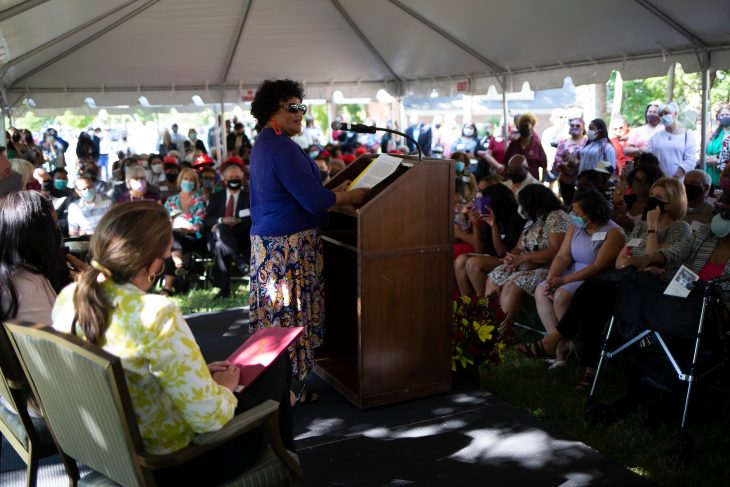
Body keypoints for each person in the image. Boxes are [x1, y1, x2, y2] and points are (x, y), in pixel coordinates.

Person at [51, 201, 295, 484]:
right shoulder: (154, 314)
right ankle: (285, 463)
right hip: (177, 463)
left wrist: (198, 374)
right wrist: (225, 388)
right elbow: (209, 419)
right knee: (276, 365)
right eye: (165, 255)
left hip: (107, 450)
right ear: (152, 261)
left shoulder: (70, 298)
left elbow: (133, 373)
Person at [248, 79, 368, 403]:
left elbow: (299, 192)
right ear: (271, 110)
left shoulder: (267, 143)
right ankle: (288, 392)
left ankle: (281, 388)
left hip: (272, 246)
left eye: (302, 107)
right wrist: (354, 195)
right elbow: (314, 201)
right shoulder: (282, 147)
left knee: (278, 318)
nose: (299, 113)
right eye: (292, 107)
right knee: (289, 317)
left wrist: (330, 190)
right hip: (287, 249)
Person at [520, 178, 691, 390]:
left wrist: (652, 229)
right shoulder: (641, 226)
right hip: (630, 281)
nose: (652, 200)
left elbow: (652, 257)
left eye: (659, 197)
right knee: (593, 297)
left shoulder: (680, 228)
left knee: (592, 290)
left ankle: (557, 343)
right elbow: (620, 262)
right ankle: (587, 367)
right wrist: (636, 258)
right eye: (651, 195)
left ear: (673, 202)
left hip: (654, 289)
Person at [518, 190, 625, 364]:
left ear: (591, 214)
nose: (572, 216)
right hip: (573, 272)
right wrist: (552, 278)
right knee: (541, 289)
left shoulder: (614, 233)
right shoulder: (575, 227)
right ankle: (560, 345)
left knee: (561, 295)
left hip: (595, 279)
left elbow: (598, 267)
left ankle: (563, 344)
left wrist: (562, 281)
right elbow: (562, 256)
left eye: (577, 213)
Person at [485, 185, 570, 328]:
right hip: (526, 265)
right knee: (495, 276)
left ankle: (502, 330)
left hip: (549, 268)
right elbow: (519, 247)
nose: (521, 208)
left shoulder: (557, 216)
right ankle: (488, 322)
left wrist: (525, 258)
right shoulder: (534, 219)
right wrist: (511, 258)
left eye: (523, 204)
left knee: (512, 283)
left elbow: (556, 251)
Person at [454, 183, 524, 296]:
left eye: (484, 202)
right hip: (493, 257)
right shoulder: (489, 217)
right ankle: (467, 303)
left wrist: (494, 226)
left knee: (473, 263)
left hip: (509, 260)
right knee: (460, 261)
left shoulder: (515, 219)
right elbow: (480, 250)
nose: (481, 205)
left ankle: (485, 305)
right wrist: (475, 224)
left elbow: (502, 253)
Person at [204, 161, 252, 299]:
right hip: (220, 235)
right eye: (231, 178)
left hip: (241, 236)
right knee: (220, 230)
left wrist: (239, 221)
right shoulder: (216, 197)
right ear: (224, 180)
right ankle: (240, 263)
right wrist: (221, 220)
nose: (234, 180)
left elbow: (253, 218)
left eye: (237, 177)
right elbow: (207, 220)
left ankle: (223, 290)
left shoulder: (249, 197)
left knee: (221, 245)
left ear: (242, 179)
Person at [160, 168, 207, 295]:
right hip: (174, 236)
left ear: (195, 183)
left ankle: (167, 287)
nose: (188, 182)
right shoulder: (171, 200)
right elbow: (163, 220)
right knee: (172, 237)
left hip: (192, 237)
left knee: (171, 241)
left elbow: (200, 223)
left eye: (191, 180)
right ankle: (178, 265)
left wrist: (189, 228)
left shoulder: (199, 200)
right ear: (180, 181)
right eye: (185, 179)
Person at [646, 101, 696, 178]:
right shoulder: (655, 137)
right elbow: (649, 160)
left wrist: (675, 178)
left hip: (678, 181)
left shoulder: (687, 136)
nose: (663, 116)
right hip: (658, 180)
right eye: (660, 115)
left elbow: (690, 160)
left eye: (666, 113)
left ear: (675, 114)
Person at [553, 117, 587, 206]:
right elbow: (557, 158)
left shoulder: (587, 142)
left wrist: (578, 163)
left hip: (582, 180)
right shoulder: (563, 142)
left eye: (577, 126)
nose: (574, 127)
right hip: (566, 180)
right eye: (572, 125)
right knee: (567, 204)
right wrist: (565, 164)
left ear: (583, 128)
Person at [503, 113, 547, 180]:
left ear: (531, 127)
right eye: (522, 126)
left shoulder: (537, 145)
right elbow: (506, 164)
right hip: (515, 182)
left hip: (532, 182)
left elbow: (544, 165)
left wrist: (542, 182)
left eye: (526, 126)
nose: (524, 129)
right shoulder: (513, 145)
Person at [706, 103, 730, 188]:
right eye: (722, 115)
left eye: (727, 114)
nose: (724, 117)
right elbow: (704, 149)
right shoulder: (715, 134)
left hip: (724, 181)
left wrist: (718, 161)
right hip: (708, 179)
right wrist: (706, 157)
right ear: (718, 117)